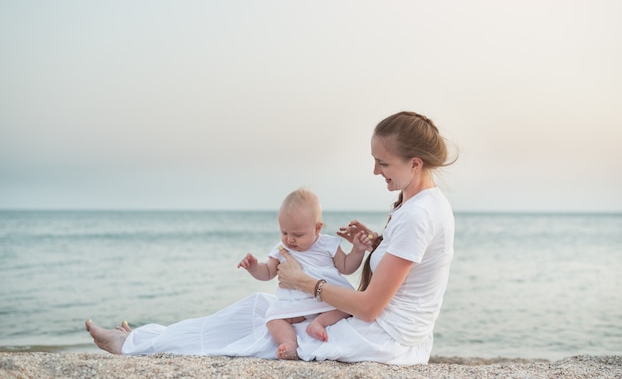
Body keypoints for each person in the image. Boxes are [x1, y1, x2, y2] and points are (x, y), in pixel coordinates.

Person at [85, 111, 456, 365]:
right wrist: (373, 245)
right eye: (374, 159)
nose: (374, 170)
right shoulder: (414, 203)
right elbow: (402, 268)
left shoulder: (419, 215)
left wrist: (305, 282)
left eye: (383, 163)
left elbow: (371, 307)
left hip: (384, 338)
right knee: (258, 307)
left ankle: (134, 345)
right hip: (386, 330)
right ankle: (144, 339)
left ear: (415, 163)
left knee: (264, 332)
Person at [237, 188, 371, 360]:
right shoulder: (282, 248)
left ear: (317, 228)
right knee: (273, 319)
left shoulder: (328, 244)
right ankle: (289, 344)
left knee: (347, 307)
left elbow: (346, 267)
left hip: (326, 302)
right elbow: (268, 272)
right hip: (295, 305)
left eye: (298, 234)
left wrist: (357, 250)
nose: (290, 239)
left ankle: (318, 323)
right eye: (284, 233)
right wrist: (254, 267)